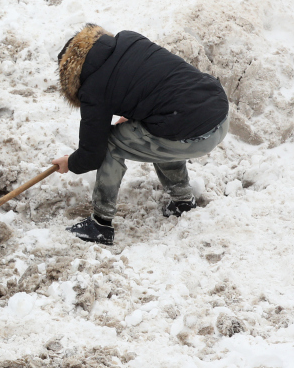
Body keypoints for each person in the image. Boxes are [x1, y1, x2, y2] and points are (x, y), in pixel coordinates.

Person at [51, 24, 229, 245]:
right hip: (219, 113)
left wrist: (72, 163)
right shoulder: (129, 40)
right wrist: (135, 113)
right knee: (159, 127)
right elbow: (157, 85)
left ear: (72, 77)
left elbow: (93, 153)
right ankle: (182, 200)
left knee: (111, 143)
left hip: (191, 132)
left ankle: (100, 224)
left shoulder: (92, 87)